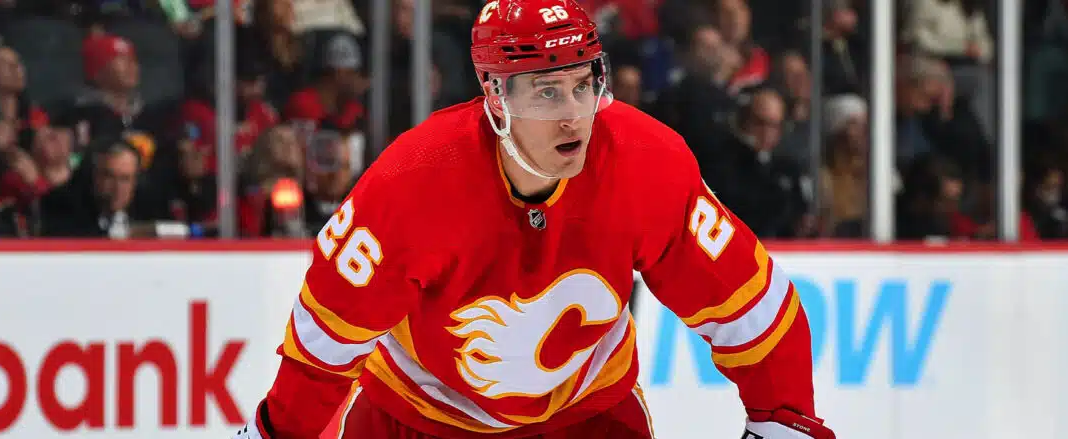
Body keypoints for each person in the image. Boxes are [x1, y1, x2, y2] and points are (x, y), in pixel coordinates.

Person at [232, 1, 834, 439]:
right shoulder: (413, 183)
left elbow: (753, 310)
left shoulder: (645, 163)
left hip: (588, 418)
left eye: (583, 86)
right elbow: (324, 347)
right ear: (495, 99)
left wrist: (785, 422)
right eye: (546, 93)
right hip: (418, 420)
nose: (574, 115)